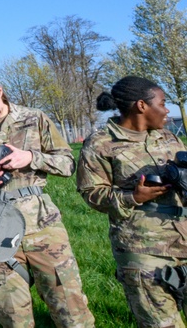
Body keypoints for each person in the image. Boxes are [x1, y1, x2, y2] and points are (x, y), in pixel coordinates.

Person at [0, 73, 94, 328]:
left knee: (69, 306)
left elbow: (68, 163)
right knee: (12, 314)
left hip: (42, 226)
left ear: (1, 91)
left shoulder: (34, 118)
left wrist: (30, 157)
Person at [77, 76, 187, 328]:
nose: (167, 109)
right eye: (163, 102)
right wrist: (132, 197)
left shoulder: (169, 138)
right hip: (143, 250)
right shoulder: (101, 144)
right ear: (141, 106)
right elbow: (90, 192)